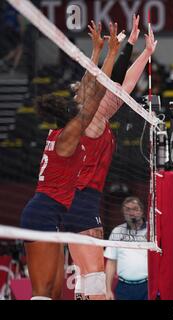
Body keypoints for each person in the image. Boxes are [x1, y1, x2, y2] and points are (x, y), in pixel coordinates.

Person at [18, 23, 119, 300]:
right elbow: (97, 92)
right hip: (44, 212)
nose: (79, 100)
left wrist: (97, 50)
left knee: (53, 291)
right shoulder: (71, 135)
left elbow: (90, 85)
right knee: (43, 292)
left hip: (53, 212)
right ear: (71, 116)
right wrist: (111, 55)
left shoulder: (60, 132)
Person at [62, 16, 157, 300]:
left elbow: (122, 86)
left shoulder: (99, 115)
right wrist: (124, 48)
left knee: (86, 272)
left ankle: (82, 293)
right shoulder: (90, 118)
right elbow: (111, 83)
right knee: (94, 275)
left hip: (85, 196)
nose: (86, 88)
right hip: (78, 197)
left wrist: (144, 53)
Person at [104, 197, 148, 300]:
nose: (131, 212)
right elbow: (111, 263)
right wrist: (108, 290)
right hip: (123, 288)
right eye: (127, 209)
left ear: (141, 211)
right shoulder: (117, 231)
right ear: (123, 212)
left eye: (135, 209)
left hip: (147, 286)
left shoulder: (152, 231)